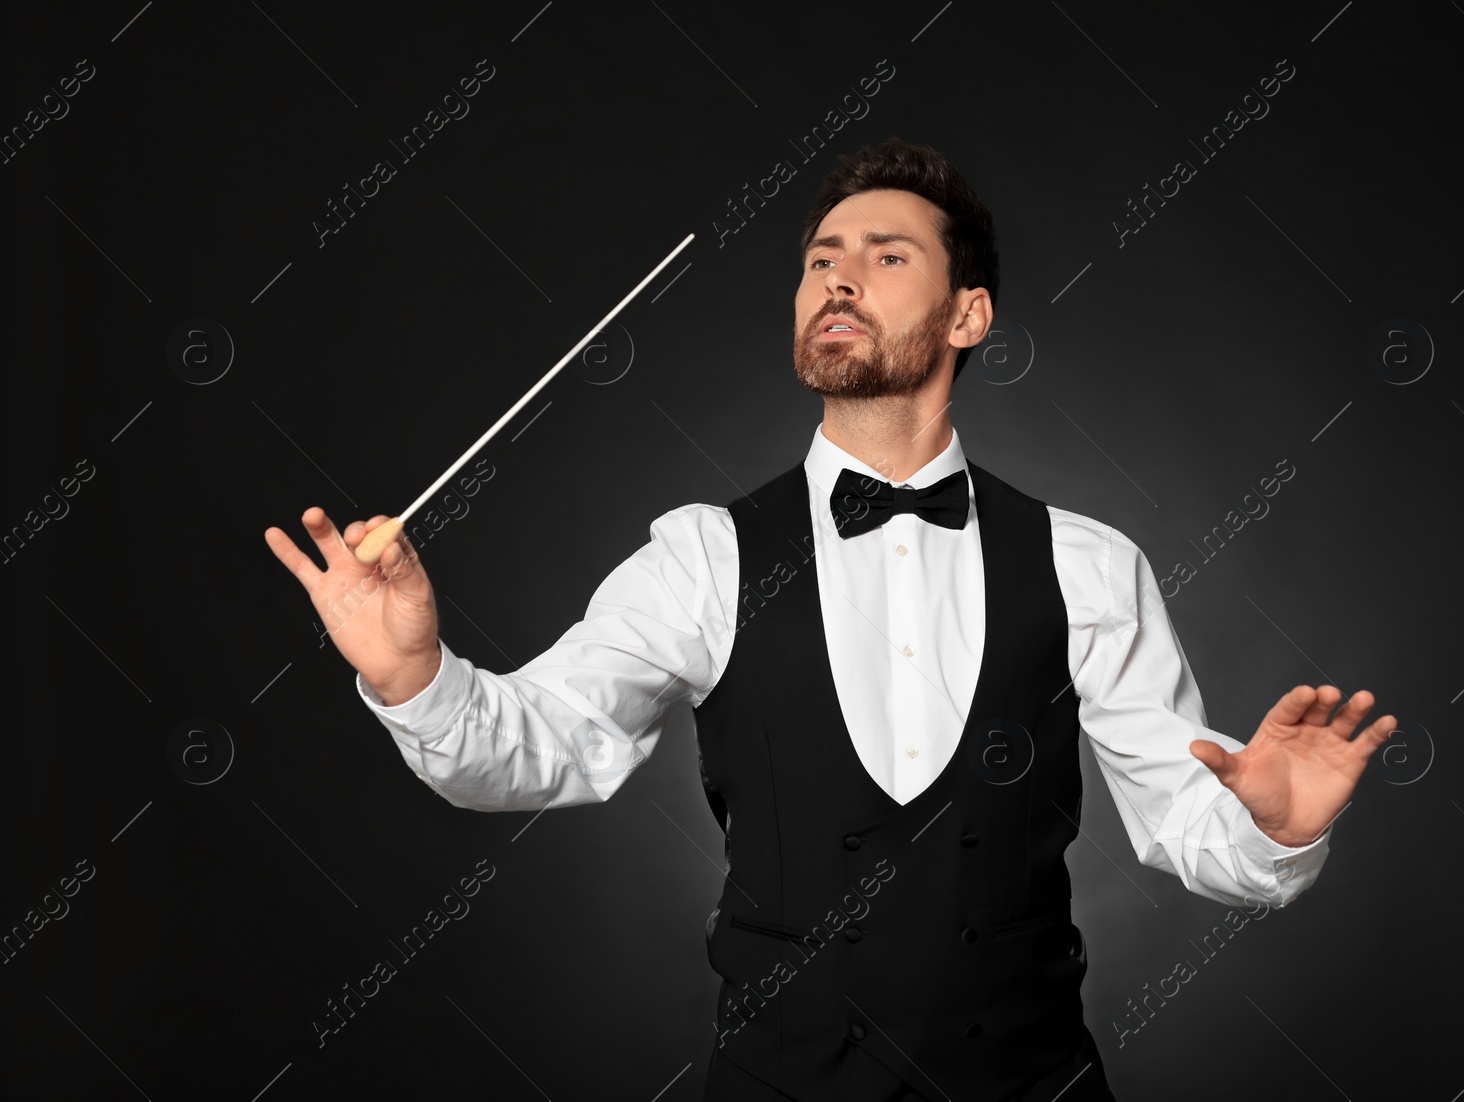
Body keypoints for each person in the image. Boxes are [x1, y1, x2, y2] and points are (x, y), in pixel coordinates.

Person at [264, 137, 1396, 1102]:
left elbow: (1189, 829)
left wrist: (1278, 828)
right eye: (819, 260)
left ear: (969, 311)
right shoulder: (704, 557)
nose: (838, 279)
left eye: (885, 256)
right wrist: (415, 672)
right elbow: (543, 747)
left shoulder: (1088, 565)